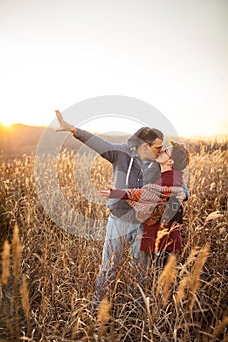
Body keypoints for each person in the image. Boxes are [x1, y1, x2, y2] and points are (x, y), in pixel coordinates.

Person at [55, 110, 188, 303]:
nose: (161, 150)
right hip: (117, 220)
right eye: (158, 147)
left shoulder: (159, 163)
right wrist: (72, 129)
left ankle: (136, 311)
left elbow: (177, 179)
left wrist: (185, 193)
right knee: (108, 266)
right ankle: (96, 305)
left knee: (140, 273)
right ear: (145, 145)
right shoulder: (120, 154)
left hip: (142, 224)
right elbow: (97, 143)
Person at [98, 141, 190, 268]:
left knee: (158, 281)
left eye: (166, 151)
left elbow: (143, 194)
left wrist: (116, 193)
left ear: (171, 162)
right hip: (163, 239)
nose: (161, 150)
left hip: (163, 241)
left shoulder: (168, 180)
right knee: (154, 279)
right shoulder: (168, 175)